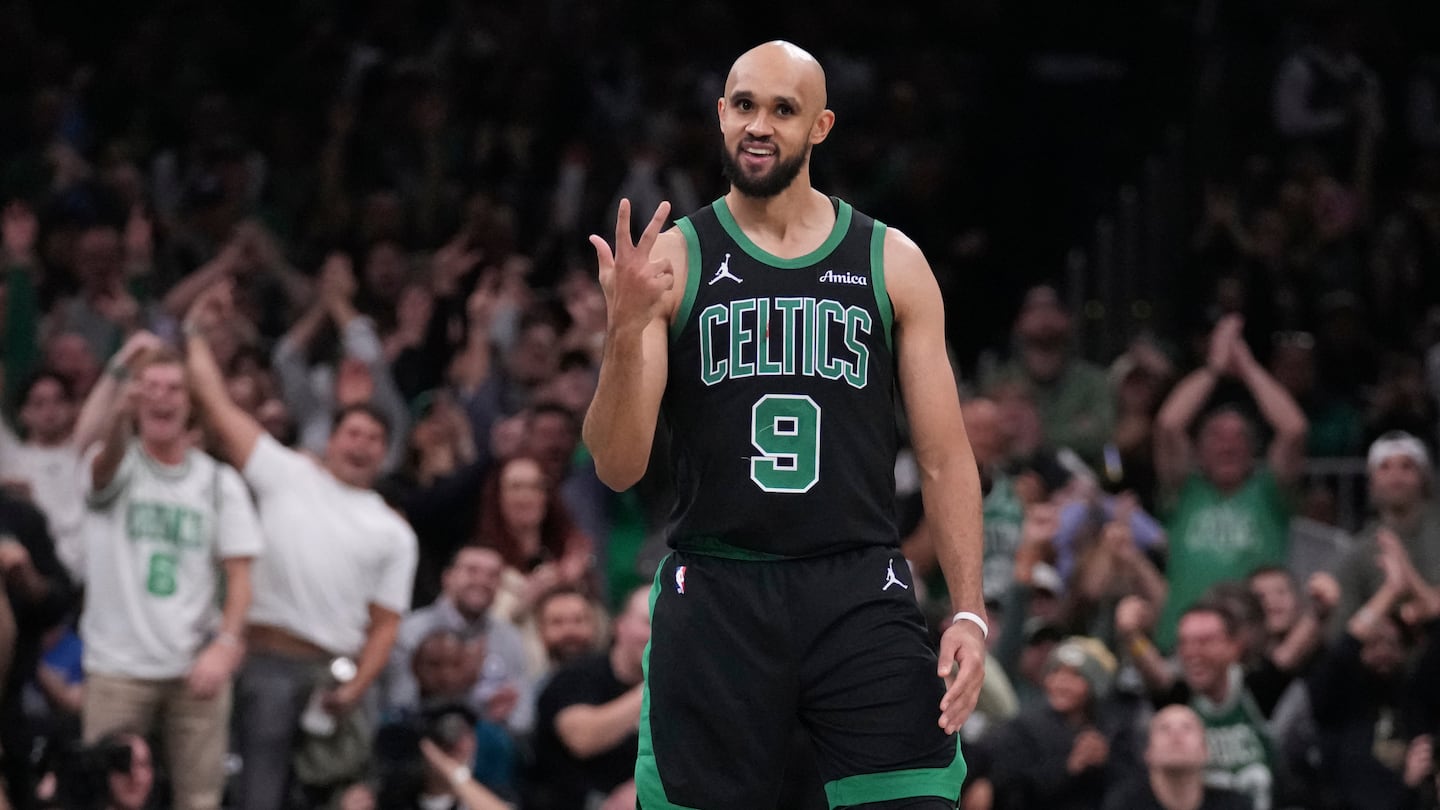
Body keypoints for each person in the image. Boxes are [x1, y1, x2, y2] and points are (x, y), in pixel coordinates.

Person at [582, 41, 985, 808]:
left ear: (821, 127)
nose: (758, 125)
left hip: (859, 582)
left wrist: (967, 610)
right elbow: (617, 466)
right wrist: (625, 332)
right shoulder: (671, 260)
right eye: (743, 105)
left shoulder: (890, 260)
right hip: (719, 586)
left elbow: (944, 458)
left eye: (782, 109)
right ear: (720, 115)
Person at [181, 285, 418, 810]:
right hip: (263, 662)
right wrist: (195, 333)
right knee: (257, 797)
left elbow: (386, 625)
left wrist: (358, 687)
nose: (361, 445)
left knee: (336, 797)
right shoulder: (285, 472)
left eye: (374, 440)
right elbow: (217, 406)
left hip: (332, 674)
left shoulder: (394, 531)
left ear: (386, 454)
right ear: (330, 439)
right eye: (352, 433)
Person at [72, 333, 262, 810]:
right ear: (133, 398)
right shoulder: (112, 465)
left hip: (194, 665)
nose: (161, 397)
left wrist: (227, 644)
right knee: (104, 797)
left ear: (191, 402)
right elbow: (101, 470)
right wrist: (117, 410)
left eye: (174, 388)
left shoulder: (220, 482)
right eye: (149, 386)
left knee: (200, 799)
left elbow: (240, 577)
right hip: (118, 668)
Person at [1152, 315, 1308, 650]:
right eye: (1216, 436)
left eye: (1239, 437)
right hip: (1181, 645)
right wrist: (1213, 368)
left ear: (1253, 451)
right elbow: (1168, 425)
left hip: (1250, 647)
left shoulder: (1269, 494)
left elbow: (1294, 429)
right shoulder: (1184, 491)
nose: (1228, 444)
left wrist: (1248, 368)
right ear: (1198, 450)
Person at [1101, 705, 1251, 810]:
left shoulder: (1234, 804)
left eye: (1187, 727)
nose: (1176, 734)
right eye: (1164, 729)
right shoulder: (1123, 804)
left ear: (1205, 750)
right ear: (1148, 752)